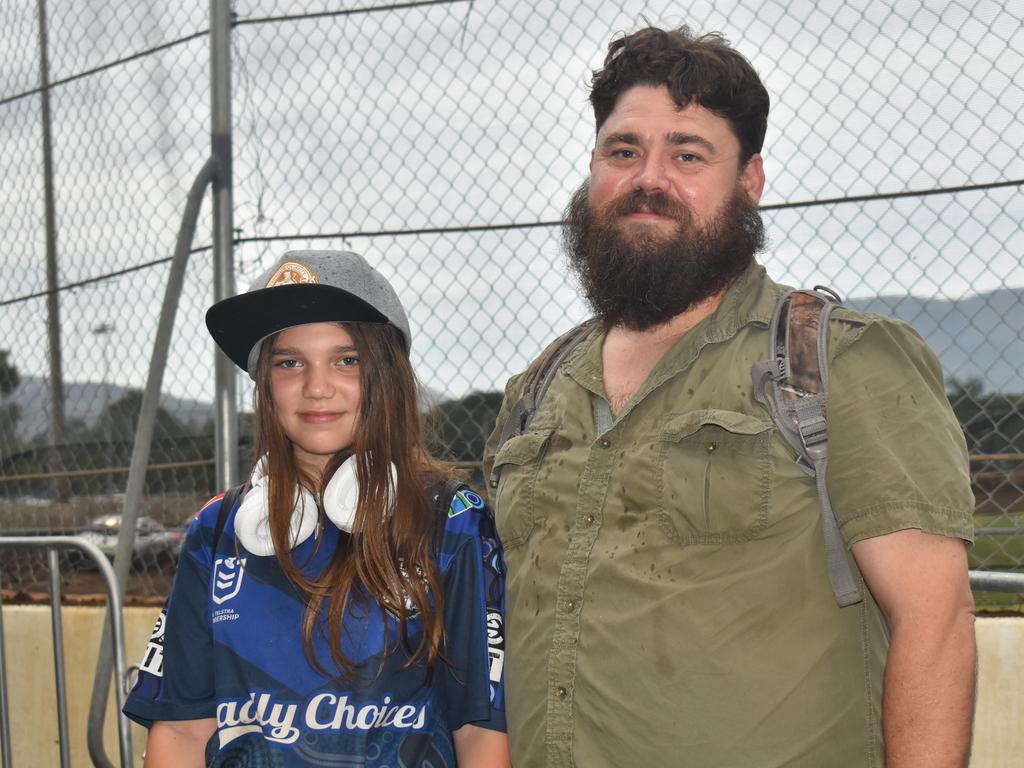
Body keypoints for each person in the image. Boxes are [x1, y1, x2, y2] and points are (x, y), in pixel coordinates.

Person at [483, 26, 976, 768]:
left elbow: (934, 623)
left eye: (687, 154)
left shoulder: (837, 361)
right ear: (593, 171)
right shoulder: (539, 389)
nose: (649, 178)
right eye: (624, 152)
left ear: (750, 181)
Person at [125, 250, 510, 768]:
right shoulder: (216, 530)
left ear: (387, 376)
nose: (317, 386)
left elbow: (481, 734)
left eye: (346, 359)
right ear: (265, 385)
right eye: (289, 362)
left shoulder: (454, 523)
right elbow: (180, 732)